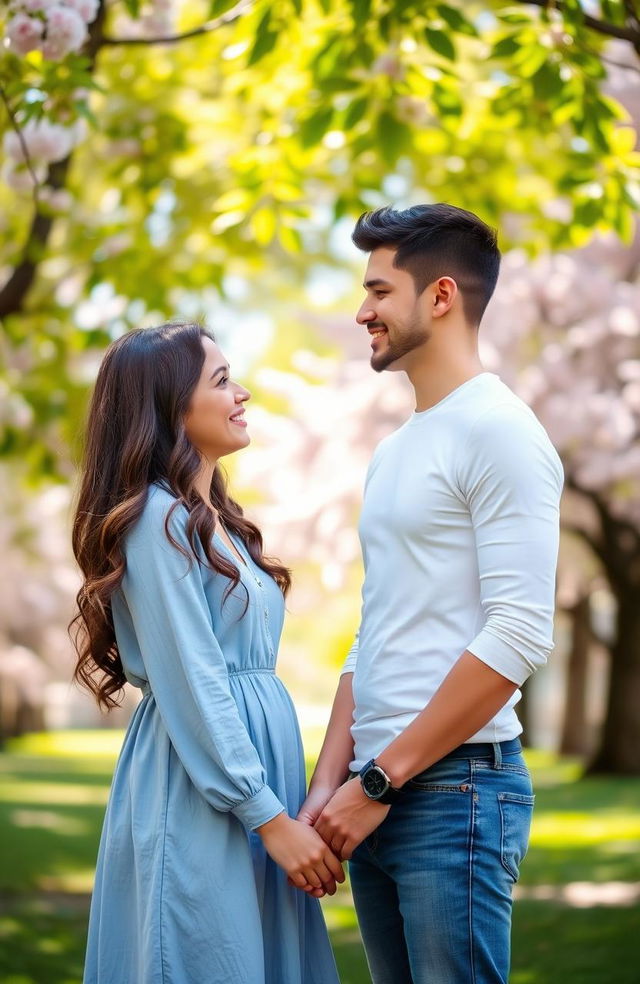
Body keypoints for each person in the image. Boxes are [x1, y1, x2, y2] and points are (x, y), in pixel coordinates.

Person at [298, 204, 564, 984]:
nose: (361, 311)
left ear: (440, 296)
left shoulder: (501, 431)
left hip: (454, 793)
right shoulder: (395, 451)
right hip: (378, 792)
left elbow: (518, 635)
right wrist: (331, 783)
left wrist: (382, 780)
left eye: (379, 291)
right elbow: (374, 630)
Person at [70, 321, 342, 984]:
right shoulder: (157, 520)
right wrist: (268, 818)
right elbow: (193, 681)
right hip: (204, 787)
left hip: (248, 780)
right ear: (170, 409)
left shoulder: (211, 516)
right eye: (221, 381)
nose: (242, 392)